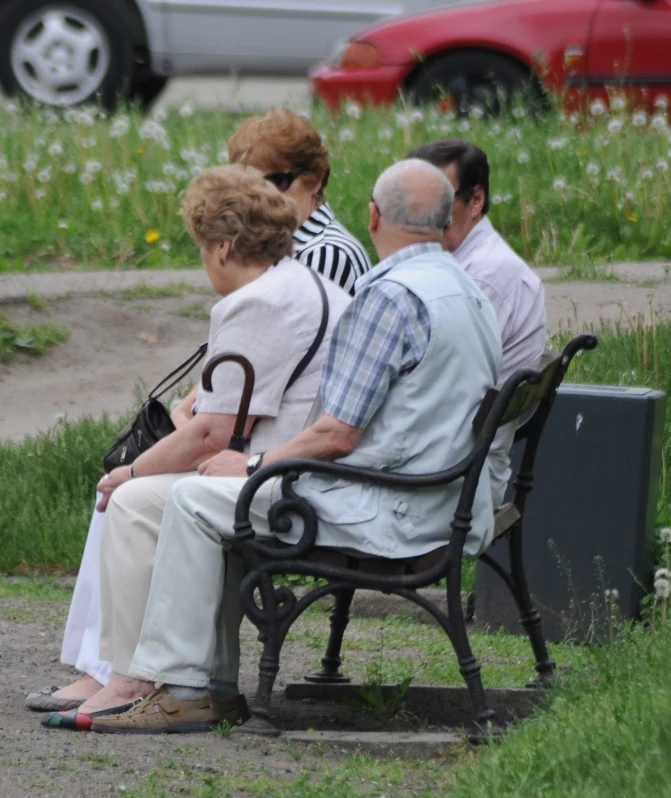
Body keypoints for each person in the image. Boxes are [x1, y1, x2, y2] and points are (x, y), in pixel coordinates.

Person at [79, 159, 502, 734]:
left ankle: (184, 686)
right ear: (449, 217)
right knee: (213, 493)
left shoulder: (392, 297)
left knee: (195, 499)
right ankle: (210, 685)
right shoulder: (465, 286)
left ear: (373, 216)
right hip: (442, 497)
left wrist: (251, 463)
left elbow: (338, 434)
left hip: (393, 509)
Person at [30, 110, 370, 713]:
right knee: (139, 487)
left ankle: (133, 676)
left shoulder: (257, 302)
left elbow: (213, 433)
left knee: (132, 499)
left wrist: (130, 474)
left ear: (221, 247)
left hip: (285, 481)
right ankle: (172, 674)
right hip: (298, 468)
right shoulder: (298, 282)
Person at [408, 139, 547, 506]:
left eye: (439, 202)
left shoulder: (481, 280)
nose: (423, 216)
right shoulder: (459, 262)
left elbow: (435, 392)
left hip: (456, 481)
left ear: (476, 200)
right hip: (451, 462)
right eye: (411, 202)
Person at [230, 108, 373, 294]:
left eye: (277, 181)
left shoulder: (326, 253)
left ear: (315, 179)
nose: (261, 195)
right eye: (250, 184)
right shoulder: (284, 247)